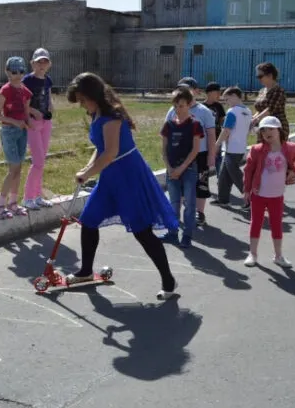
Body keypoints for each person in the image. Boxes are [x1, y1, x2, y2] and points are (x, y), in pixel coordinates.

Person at [67, 72, 179, 300]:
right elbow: (99, 148)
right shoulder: (97, 113)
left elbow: (110, 153)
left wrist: (88, 173)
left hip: (128, 176)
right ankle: (86, 271)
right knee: (88, 220)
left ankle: (168, 280)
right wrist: (86, 170)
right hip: (110, 178)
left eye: (83, 99)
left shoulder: (112, 117)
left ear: (94, 95)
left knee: (142, 232)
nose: (81, 105)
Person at [243, 116, 295, 268]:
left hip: (277, 195)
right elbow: (248, 171)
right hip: (258, 194)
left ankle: (278, 255)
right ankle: (252, 253)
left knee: (276, 224)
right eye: (263, 130)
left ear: (279, 130)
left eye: (271, 128)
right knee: (256, 223)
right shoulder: (257, 149)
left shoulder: (290, 148)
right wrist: (246, 189)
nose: (267, 132)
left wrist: (294, 171)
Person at [0, 56, 43, 218]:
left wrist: (29, 122)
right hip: (9, 132)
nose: (18, 75)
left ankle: (13, 202)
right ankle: (0, 204)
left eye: (21, 71)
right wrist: (14, 122)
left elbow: (26, 112)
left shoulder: (25, 92)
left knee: (19, 168)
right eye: (14, 71)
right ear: (7, 72)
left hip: (22, 132)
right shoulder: (5, 90)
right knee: (13, 169)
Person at [165, 77, 216, 226]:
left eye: (187, 89)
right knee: (178, 184)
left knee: (200, 183)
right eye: (180, 89)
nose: (183, 92)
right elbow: (167, 131)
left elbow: (211, 135)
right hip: (178, 155)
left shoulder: (204, 111)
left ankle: (199, 213)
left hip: (200, 154)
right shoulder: (173, 109)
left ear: (195, 91)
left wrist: (211, 155)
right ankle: (176, 214)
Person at [160, 86, 204, 248]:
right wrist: (170, 168)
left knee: (190, 205)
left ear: (189, 105)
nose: (178, 109)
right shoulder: (168, 125)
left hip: (189, 170)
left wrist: (181, 168)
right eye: (176, 106)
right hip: (171, 170)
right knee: (173, 203)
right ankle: (172, 233)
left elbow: (195, 150)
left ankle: (187, 235)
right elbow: (164, 149)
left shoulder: (195, 124)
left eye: (182, 106)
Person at [22, 48, 55, 210]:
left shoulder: (48, 80)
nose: (42, 65)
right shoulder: (27, 80)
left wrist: (51, 108)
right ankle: (27, 198)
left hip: (46, 123)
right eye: (38, 62)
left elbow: (48, 95)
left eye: (45, 62)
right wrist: (32, 112)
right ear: (32, 63)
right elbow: (21, 103)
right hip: (33, 123)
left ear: (49, 64)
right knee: (38, 161)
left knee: (42, 160)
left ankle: (38, 196)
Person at [213, 86, 252, 209]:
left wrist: (217, 144)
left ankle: (250, 199)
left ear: (235, 96)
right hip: (240, 148)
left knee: (236, 176)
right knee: (224, 174)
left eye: (227, 99)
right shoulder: (248, 111)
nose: (226, 102)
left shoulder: (232, 111)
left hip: (231, 149)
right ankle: (223, 199)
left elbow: (226, 130)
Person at [252, 62, 290, 135]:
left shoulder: (279, 91)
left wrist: (254, 121)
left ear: (270, 75)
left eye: (260, 76)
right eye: (257, 77)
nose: (258, 79)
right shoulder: (261, 91)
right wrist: (252, 119)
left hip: (276, 127)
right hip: (263, 126)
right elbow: (259, 110)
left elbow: (270, 109)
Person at [203, 81, 227, 176]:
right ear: (209, 93)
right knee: (205, 160)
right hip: (205, 138)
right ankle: (204, 179)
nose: (219, 95)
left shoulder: (218, 106)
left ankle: (220, 179)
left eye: (219, 93)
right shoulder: (202, 106)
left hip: (217, 137)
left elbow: (222, 120)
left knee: (218, 158)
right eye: (217, 92)